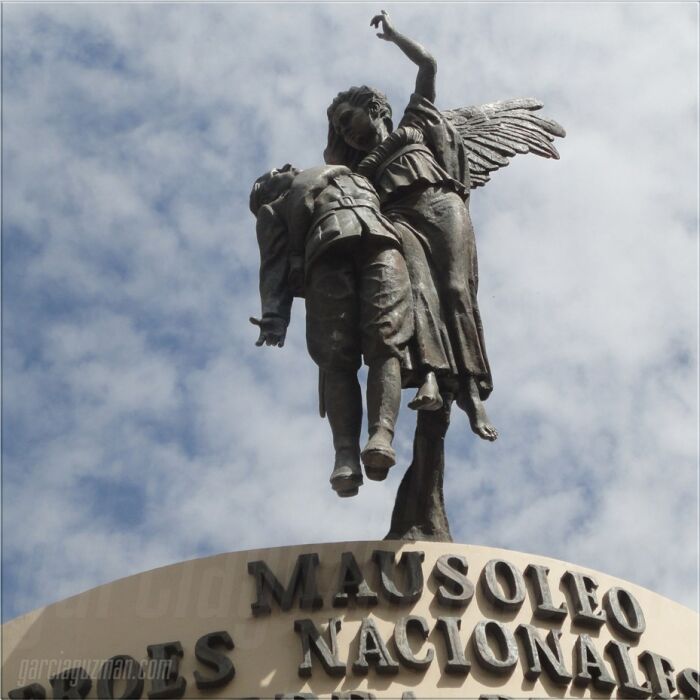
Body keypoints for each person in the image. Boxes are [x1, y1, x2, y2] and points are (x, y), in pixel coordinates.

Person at [323, 11, 498, 441]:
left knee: (456, 290)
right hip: (399, 219)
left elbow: (428, 66)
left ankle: (473, 393)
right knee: (419, 293)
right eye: (341, 129)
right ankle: (433, 378)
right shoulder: (360, 171)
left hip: (441, 204)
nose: (347, 132)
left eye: (350, 120)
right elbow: (330, 165)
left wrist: (393, 35)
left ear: (375, 108)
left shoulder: (414, 122)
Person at [249, 162, 418, 495]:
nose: (283, 166)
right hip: (325, 254)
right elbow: (272, 263)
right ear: (265, 192)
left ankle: (381, 435)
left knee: (387, 340)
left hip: (382, 242)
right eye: (270, 173)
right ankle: (345, 455)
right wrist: (274, 316)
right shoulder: (274, 209)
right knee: (335, 355)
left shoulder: (351, 174)